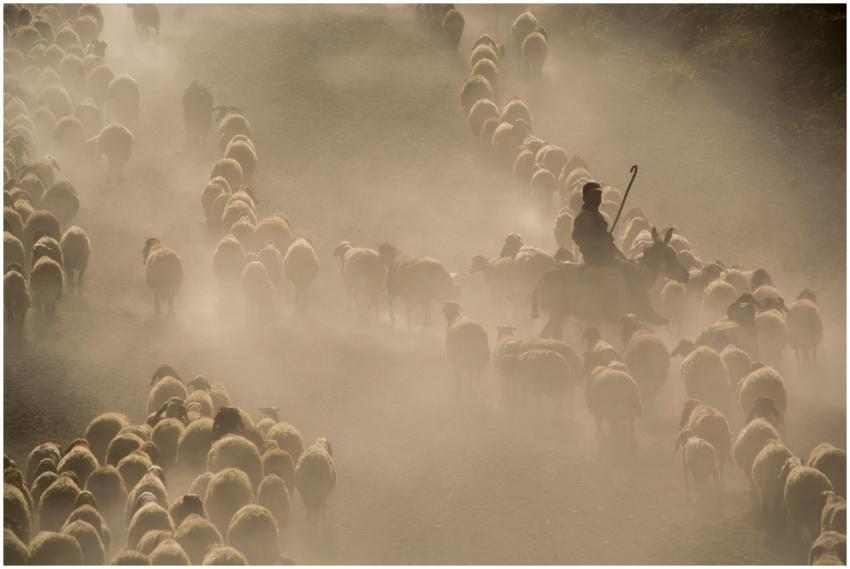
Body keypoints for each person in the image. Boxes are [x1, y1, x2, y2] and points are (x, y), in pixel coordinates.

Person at [571, 181, 669, 325]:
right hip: (599, 259)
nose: (598, 199)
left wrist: (619, 253)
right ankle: (647, 310)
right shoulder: (586, 216)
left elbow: (608, 243)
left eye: (599, 195)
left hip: (604, 256)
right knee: (635, 272)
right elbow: (577, 237)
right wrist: (598, 240)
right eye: (594, 196)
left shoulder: (595, 215)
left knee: (630, 266)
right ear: (586, 197)